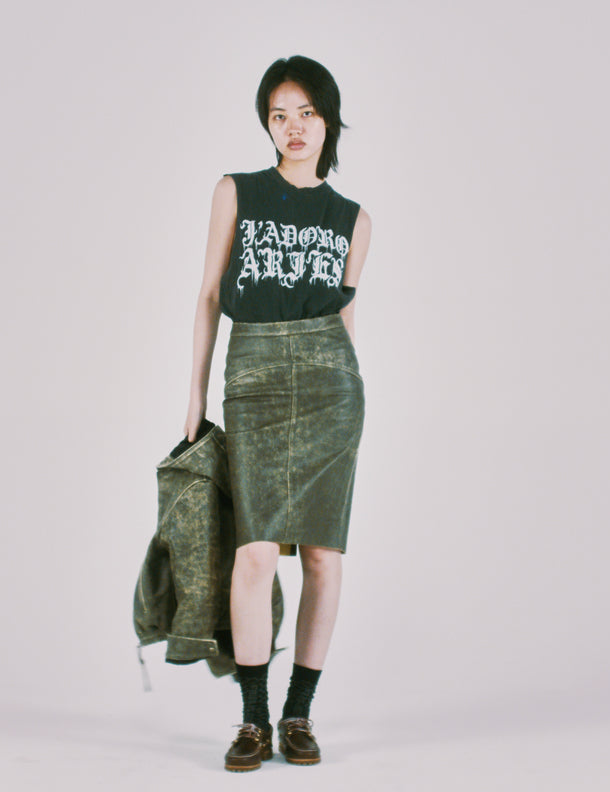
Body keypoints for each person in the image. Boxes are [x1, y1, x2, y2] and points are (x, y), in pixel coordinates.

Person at [183, 55, 372, 772]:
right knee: (255, 550)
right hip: (253, 375)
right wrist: (195, 396)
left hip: (331, 385)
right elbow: (209, 294)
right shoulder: (236, 190)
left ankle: (298, 714)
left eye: (307, 113)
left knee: (322, 554)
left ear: (328, 119)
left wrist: (353, 388)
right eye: (279, 115)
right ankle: (252, 718)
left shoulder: (354, 219)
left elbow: (345, 318)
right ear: (267, 124)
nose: (293, 127)